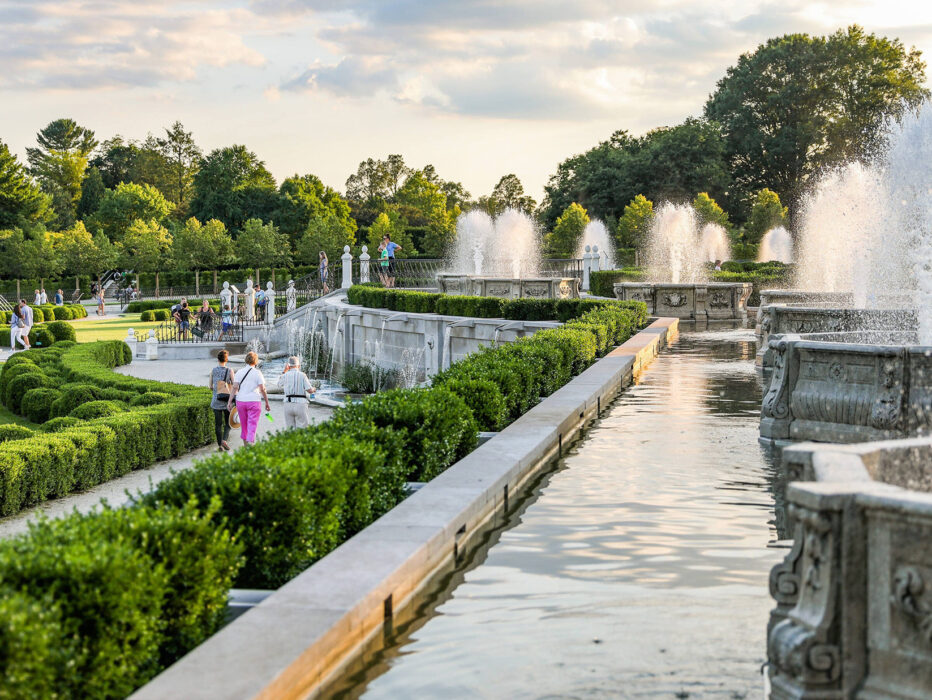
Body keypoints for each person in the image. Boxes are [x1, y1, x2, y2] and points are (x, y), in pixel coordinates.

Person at [227, 351, 270, 445]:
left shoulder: (239, 372)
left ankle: (246, 447)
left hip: (241, 401)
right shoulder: (258, 373)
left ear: (246, 360)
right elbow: (262, 389)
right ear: (256, 361)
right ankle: (251, 447)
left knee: (244, 425)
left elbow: (234, 388)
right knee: (252, 425)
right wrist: (267, 402)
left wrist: (229, 402)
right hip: (254, 401)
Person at [277, 356, 315, 429]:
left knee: (290, 428)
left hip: (287, 404)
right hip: (300, 404)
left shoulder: (285, 375)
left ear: (288, 366)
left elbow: (279, 384)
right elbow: (309, 390)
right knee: (303, 428)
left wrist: (284, 371)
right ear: (298, 366)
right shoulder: (302, 375)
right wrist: (313, 389)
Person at [209, 350, 234, 451]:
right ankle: (224, 440)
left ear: (218, 359)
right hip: (227, 402)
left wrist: (217, 389)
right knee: (228, 423)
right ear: (226, 360)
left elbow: (210, 386)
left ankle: (220, 445)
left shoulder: (213, 370)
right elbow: (235, 385)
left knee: (217, 424)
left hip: (216, 401)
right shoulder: (230, 370)